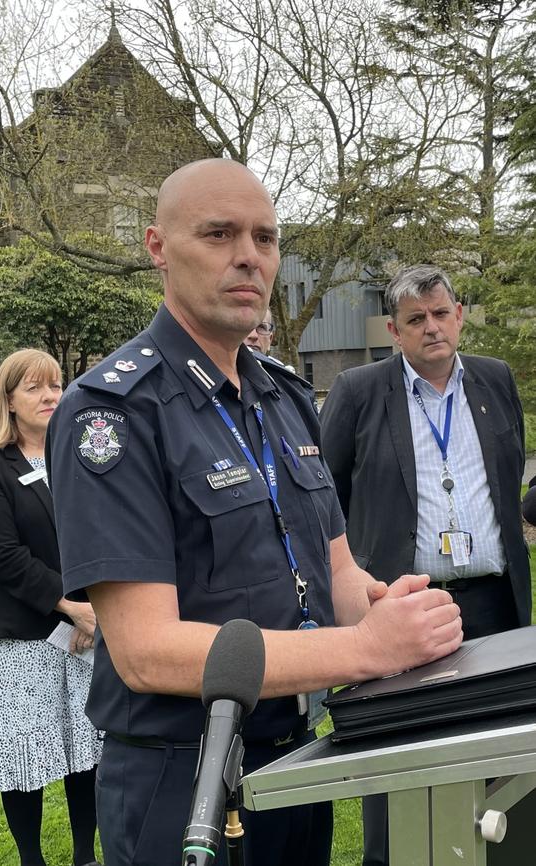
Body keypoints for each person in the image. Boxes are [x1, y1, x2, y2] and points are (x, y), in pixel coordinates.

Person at [46, 159, 462, 866]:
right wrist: (367, 649)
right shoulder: (113, 412)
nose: (249, 257)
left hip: (300, 757)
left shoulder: (286, 396)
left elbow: (335, 572)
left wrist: (395, 610)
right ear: (158, 247)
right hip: (183, 778)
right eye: (218, 233)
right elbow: (146, 650)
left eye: (266, 238)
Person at [319, 264, 531, 866]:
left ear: (459, 316)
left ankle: (500, 853)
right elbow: (323, 495)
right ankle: (391, 857)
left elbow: (507, 475)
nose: (432, 328)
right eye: (416, 319)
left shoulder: (494, 380)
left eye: (441, 314)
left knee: (499, 745)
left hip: (493, 601)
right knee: (401, 749)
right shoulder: (359, 392)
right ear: (394, 329)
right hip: (400, 604)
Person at [0, 349, 103, 866]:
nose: (49, 396)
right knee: (27, 753)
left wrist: (93, 608)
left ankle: (86, 854)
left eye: (56, 385)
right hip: (26, 636)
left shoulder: (83, 455)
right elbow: (4, 557)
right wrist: (72, 608)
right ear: (9, 401)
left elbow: (104, 535)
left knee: (87, 747)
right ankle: (32, 859)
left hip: (92, 628)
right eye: (34, 388)